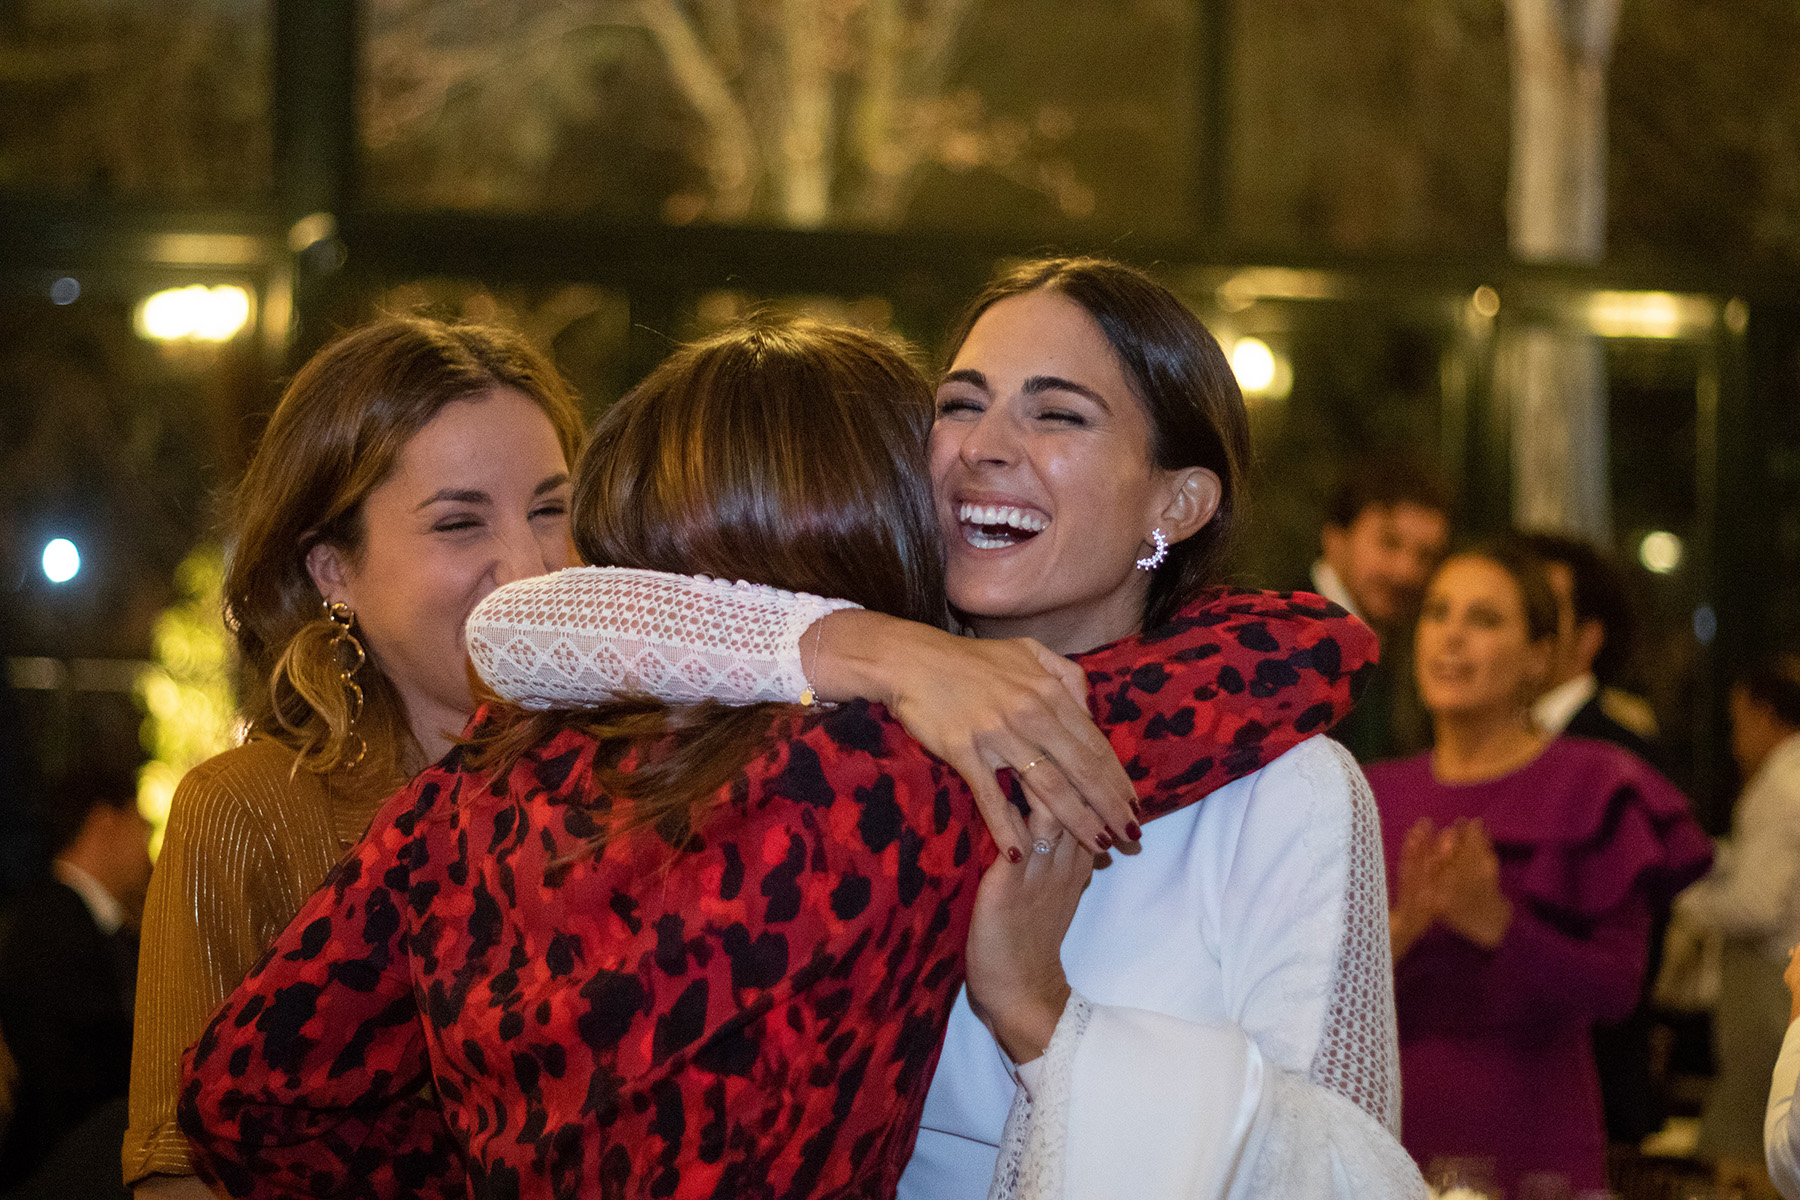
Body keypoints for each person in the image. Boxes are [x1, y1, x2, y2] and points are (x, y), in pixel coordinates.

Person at [179, 312, 1406, 1200]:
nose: (981, 449)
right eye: (960, 404)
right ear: (880, 511)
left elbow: (247, 1098)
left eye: (1055, 411)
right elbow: (1264, 666)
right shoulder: (889, 781)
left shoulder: (468, 795)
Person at [123, 317, 586, 1198]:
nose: (527, 567)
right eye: (459, 523)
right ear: (334, 569)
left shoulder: (632, 782)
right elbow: (174, 1174)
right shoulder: (249, 811)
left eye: (551, 510)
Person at [1369, 542, 1711, 1193]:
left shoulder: (1594, 782)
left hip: (1536, 1130)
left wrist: (1496, 923)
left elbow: (1616, 992)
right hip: (1393, 1127)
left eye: (1485, 619)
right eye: (1439, 613)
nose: (1452, 638)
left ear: (1538, 656)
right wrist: (1405, 928)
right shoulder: (1372, 791)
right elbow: (1315, 997)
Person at [1681, 655, 1800, 1200]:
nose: (1734, 741)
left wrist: (1686, 898)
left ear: (1762, 713)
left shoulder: (1781, 782)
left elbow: (1757, 907)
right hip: (1780, 969)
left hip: (1771, 975)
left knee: (1748, 1149)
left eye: (1737, 723)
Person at [0, 767, 150, 1189]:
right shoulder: (54, 926)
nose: (148, 847)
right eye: (141, 824)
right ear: (105, 822)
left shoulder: (82, 921)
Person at [1311, 458, 1452, 763]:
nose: (1407, 571)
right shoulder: (1283, 632)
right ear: (1335, 539)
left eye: (1425, 555)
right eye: (1389, 543)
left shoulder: (1403, 636)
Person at [1516, 530, 1660, 763]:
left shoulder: (1616, 753)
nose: (1526, 623)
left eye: (1544, 607)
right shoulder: (1490, 733)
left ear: (1588, 638)